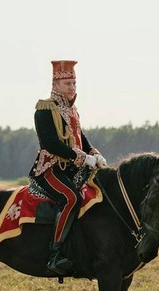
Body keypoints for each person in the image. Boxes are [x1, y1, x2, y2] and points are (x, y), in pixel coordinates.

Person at [29, 60, 106, 275]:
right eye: (68, 83)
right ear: (56, 85)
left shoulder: (73, 111)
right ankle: (56, 253)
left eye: (74, 83)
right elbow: (50, 143)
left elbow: (82, 138)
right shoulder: (45, 109)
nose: (73, 87)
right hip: (51, 169)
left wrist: (95, 154)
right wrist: (80, 157)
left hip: (74, 169)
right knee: (71, 198)